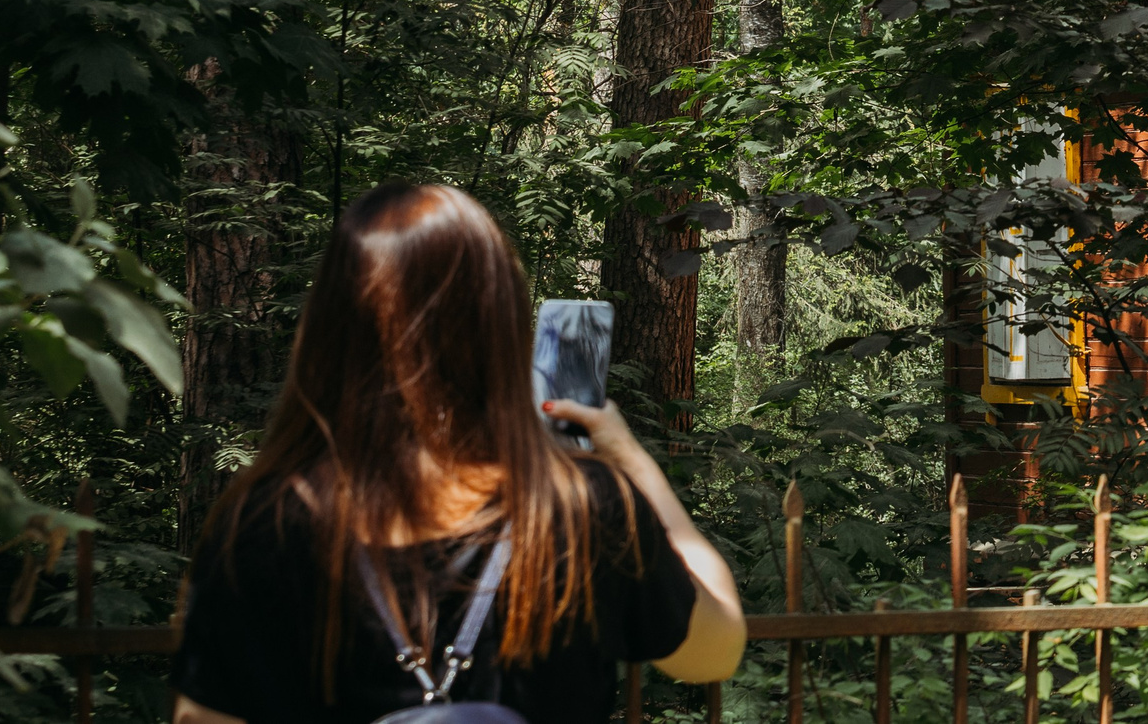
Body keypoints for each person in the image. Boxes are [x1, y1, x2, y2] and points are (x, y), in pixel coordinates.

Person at [172, 184, 745, 724]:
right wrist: (632, 463)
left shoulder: (265, 523)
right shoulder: (583, 507)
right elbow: (714, 653)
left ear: (330, 328)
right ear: (502, 324)